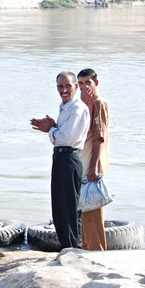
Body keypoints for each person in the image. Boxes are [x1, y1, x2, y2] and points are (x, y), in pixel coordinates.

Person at [31, 72, 90, 249]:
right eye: (60, 86)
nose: (64, 90)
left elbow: (66, 138)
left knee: (68, 208)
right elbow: (62, 134)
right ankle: (68, 247)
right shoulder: (65, 108)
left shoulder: (77, 109)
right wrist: (53, 127)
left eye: (68, 86)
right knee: (60, 206)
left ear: (76, 87)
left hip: (69, 157)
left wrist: (50, 129)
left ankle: (73, 248)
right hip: (61, 157)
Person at [77, 68, 110, 251]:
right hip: (84, 163)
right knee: (85, 208)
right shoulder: (84, 103)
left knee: (93, 210)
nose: (83, 87)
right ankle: (88, 247)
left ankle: (97, 250)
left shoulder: (98, 103)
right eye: (80, 84)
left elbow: (99, 137)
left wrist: (93, 167)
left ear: (95, 83)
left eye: (87, 83)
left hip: (92, 164)